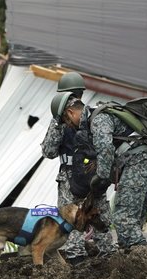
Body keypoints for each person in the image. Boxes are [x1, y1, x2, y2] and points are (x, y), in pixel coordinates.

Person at [52, 92, 147, 250]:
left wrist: (100, 179)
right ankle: (133, 256)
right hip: (145, 163)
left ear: (70, 112)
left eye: (66, 121)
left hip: (138, 164)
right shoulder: (100, 114)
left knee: (123, 217)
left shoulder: (98, 119)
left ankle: (145, 256)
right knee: (134, 220)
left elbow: (105, 151)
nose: (69, 126)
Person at [42, 73, 114, 260]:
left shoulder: (59, 120)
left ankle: (75, 259)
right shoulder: (95, 116)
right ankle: (107, 258)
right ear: (81, 93)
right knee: (100, 218)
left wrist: (58, 125)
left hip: (69, 178)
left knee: (71, 221)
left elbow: (49, 151)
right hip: (93, 175)